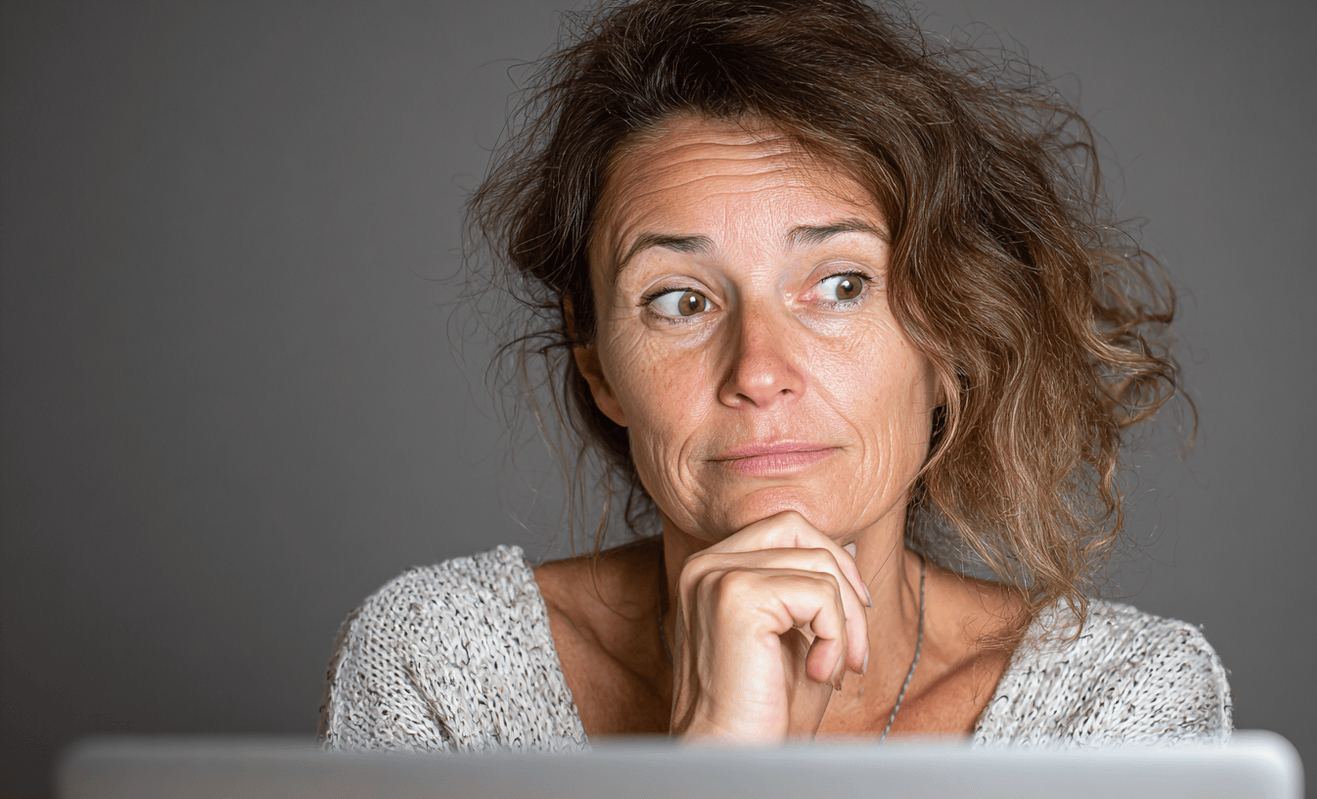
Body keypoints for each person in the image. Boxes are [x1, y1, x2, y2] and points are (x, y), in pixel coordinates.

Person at [319, 0, 1230, 751]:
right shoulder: (443, 669)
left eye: (839, 286)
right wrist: (715, 756)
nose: (758, 371)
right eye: (680, 300)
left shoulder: (1118, 709)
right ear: (596, 361)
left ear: (949, 337)